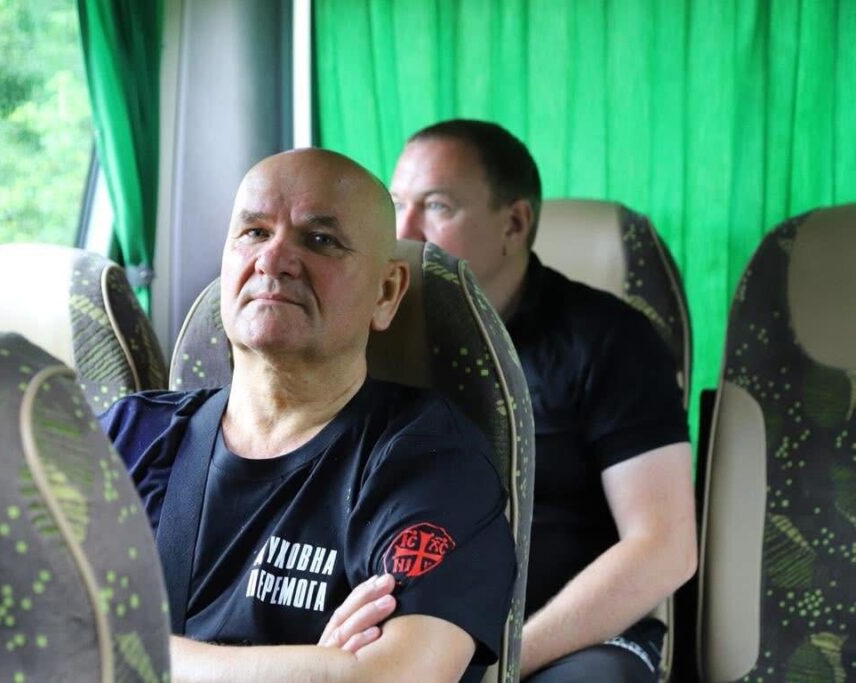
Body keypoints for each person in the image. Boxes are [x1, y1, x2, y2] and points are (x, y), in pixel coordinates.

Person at [102, 148, 516, 683]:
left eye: (320, 240)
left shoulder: (430, 460)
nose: (273, 260)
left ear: (386, 292)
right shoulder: (127, 436)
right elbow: (25, 634)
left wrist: (121, 651)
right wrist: (320, 669)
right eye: (254, 232)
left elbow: (392, 678)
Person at [389, 119, 697, 682]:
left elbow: (664, 546)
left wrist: (504, 662)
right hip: (409, 635)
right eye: (395, 205)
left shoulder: (610, 341)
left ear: (514, 223)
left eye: (436, 206)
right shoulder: (372, 338)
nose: (405, 230)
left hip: (567, 642)